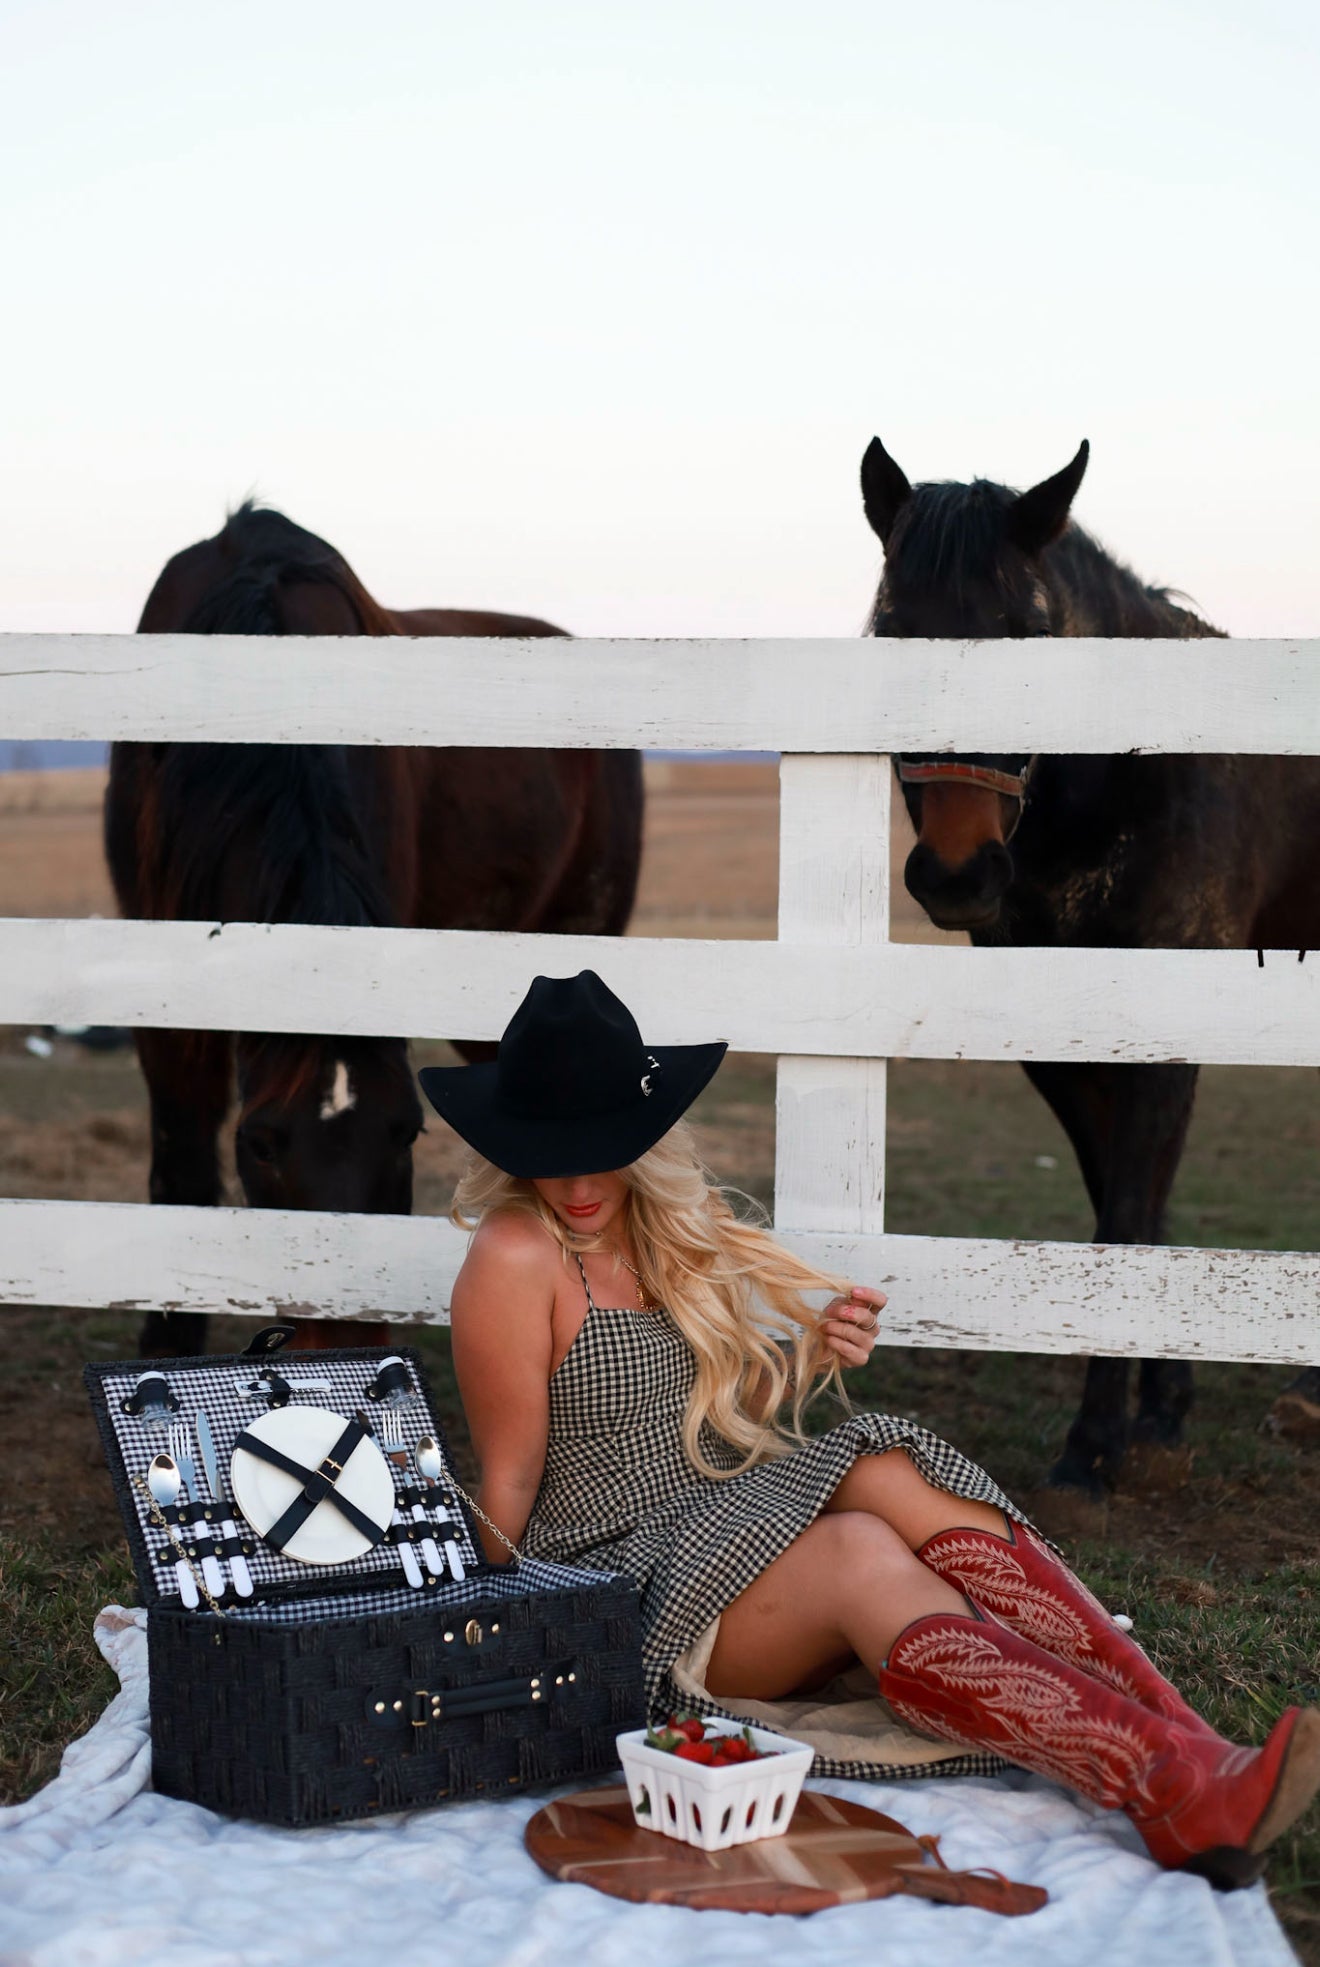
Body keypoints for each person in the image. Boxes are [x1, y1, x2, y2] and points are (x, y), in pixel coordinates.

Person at [419, 969, 1320, 1892]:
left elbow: (686, 1429)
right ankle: (1167, 1777)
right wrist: (487, 1647)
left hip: (715, 1536)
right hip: (621, 1598)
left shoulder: (657, 1231)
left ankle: (1190, 1751)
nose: (576, 1182)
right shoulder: (515, 1254)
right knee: (857, 1541)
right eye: (550, 1153)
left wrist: (809, 1353)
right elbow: (513, 1485)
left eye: (601, 1148)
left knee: (880, 1462)